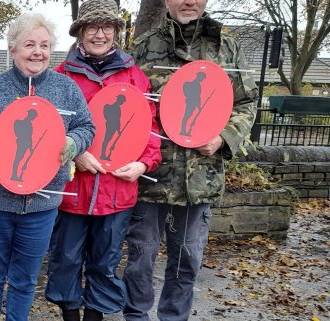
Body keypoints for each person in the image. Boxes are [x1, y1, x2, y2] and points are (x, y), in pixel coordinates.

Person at [0, 12, 95, 321]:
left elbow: (87, 127)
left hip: (42, 204)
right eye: (29, 44)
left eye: (44, 45)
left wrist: (75, 141)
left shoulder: (67, 89)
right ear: (12, 48)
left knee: (25, 280)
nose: (38, 52)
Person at [123, 0, 259, 319]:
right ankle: (135, 316)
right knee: (140, 259)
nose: (189, 1)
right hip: (151, 178)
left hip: (199, 179)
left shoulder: (226, 46)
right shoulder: (143, 46)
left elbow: (246, 102)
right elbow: (128, 105)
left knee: (186, 262)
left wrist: (224, 137)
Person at [41, 1, 162, 320]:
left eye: (107, 27)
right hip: (72, 191)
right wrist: (74, 152)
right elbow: (47, 127)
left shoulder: (135, 77)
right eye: (92, 27)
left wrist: (144, 164)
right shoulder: (61, 76)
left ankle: (95, 316)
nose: (99, 34)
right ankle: (69, 314)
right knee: (66, 257)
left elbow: (150, 128)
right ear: (80, 32)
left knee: (105, 261)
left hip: (116, 188)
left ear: (116, 32)